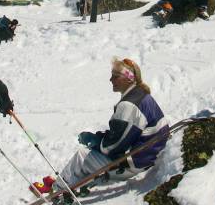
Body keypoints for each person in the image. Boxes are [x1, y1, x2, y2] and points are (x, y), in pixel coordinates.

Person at [32, 58, 169, 195]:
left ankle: (58, 190)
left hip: (137, 162)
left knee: (83, 156)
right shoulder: (141, 95)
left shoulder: (129, 105)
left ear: (128, 79)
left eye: (115, 76)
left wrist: (98, 143)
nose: (111, 80)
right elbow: (125, 135)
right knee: (92, 156)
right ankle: (69, 183)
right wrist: (99, 138)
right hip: (148, 154)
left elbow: (114, 146)